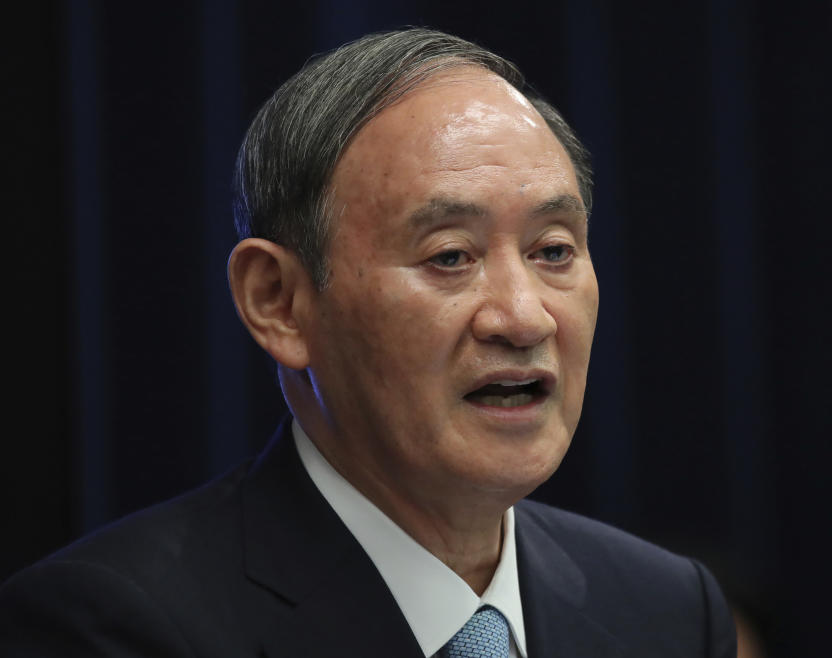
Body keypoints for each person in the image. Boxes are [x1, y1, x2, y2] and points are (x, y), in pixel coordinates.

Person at [0, 29, 735, 657]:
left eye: (553, 251)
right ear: (278, 302)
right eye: (451, 256)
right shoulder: (115, 627)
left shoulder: (667, 611)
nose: (523, 318)